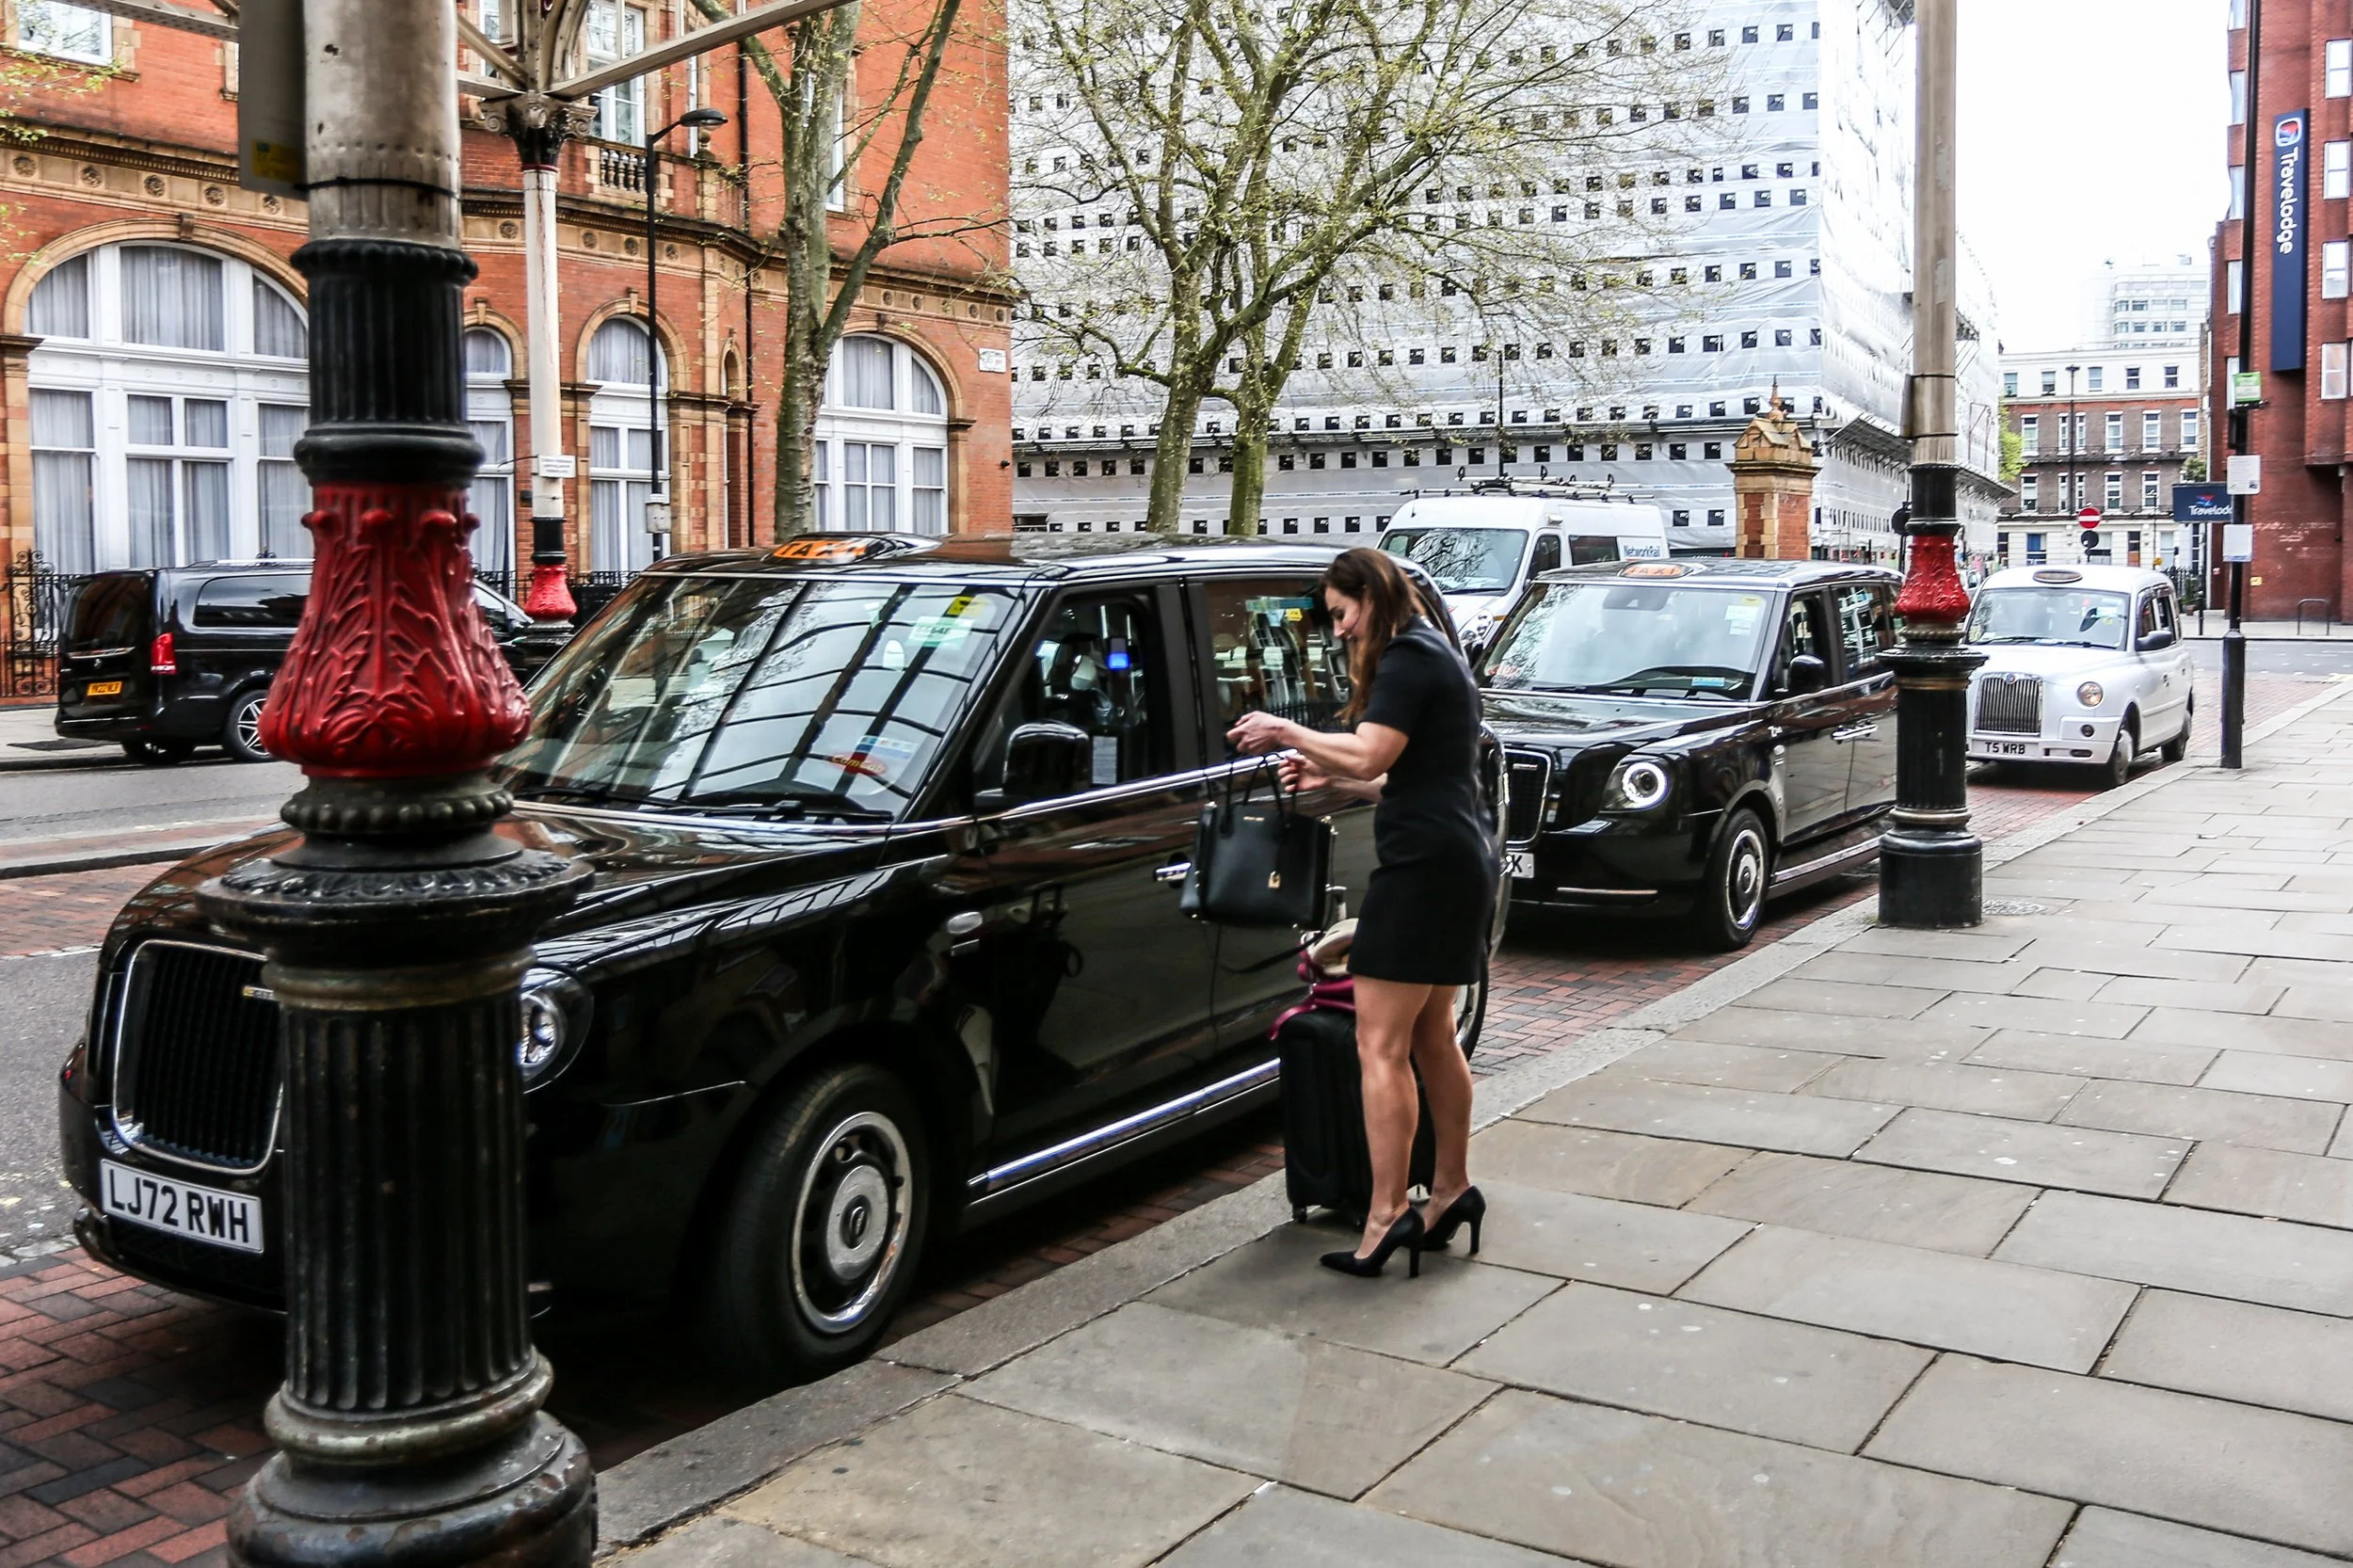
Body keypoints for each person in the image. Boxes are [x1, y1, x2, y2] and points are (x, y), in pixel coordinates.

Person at [1228, 547, 1496, 1276]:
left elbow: (1374, 754)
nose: (1340, 631)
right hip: (1457, 858)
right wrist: (1327, 770)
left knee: (1378, 1046)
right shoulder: (1436, 652)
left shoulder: (1408, 657)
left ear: (1370, 599)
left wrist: (1287, 733)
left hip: (1420, 873)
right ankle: (1449, 1190)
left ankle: (1386, 1216)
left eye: (1342, 614)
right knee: (1434, 1037)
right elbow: (1412, 778)